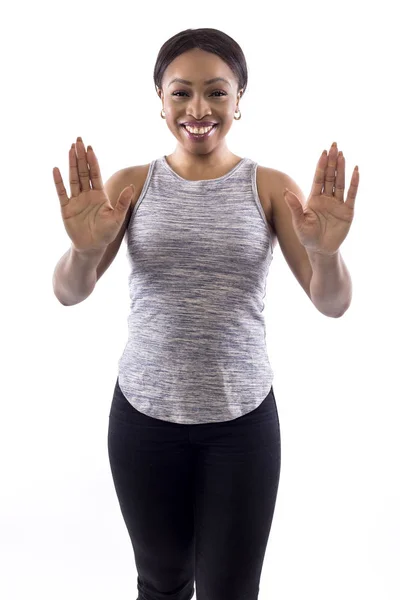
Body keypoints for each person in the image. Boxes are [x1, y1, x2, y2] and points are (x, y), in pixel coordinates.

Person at [52, 27, 359, 600]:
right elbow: (71, 292)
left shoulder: (269, 188)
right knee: (162, 582)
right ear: (161, 101)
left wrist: (328, 254)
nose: (199, 109)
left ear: (240, 100)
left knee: (229, 591)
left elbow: (331, 302)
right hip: (143, 421)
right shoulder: (128, 187)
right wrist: (84, 249)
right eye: (181, 92)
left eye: (217, 92)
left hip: (241, 425)